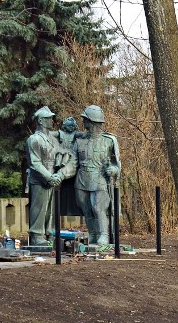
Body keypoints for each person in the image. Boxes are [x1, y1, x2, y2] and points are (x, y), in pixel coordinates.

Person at [72, 105, 120, 246]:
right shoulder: (79, 141)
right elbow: (72, 162)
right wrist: (59, 174)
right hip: (81, 180)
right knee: (86, 209)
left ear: (92, 122)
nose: (83, 123)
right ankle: (92, 234)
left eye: (85, 120)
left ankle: (103, 235)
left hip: (100, 179)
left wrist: (113, 170)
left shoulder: (109, 141)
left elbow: (117, 164)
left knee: (98, 208)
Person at [26, 106, 64, 246]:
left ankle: (49, 233)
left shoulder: (51, 139)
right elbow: (35, 163)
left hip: (51, 178)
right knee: (39, 208)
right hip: (40, 179)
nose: (52, 121)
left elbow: (57, 157)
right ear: (41, 121)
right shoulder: (34, 139)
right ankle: (36, 235)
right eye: (49, 118)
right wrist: (49, 176)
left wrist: (59, 173)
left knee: (50, 210)